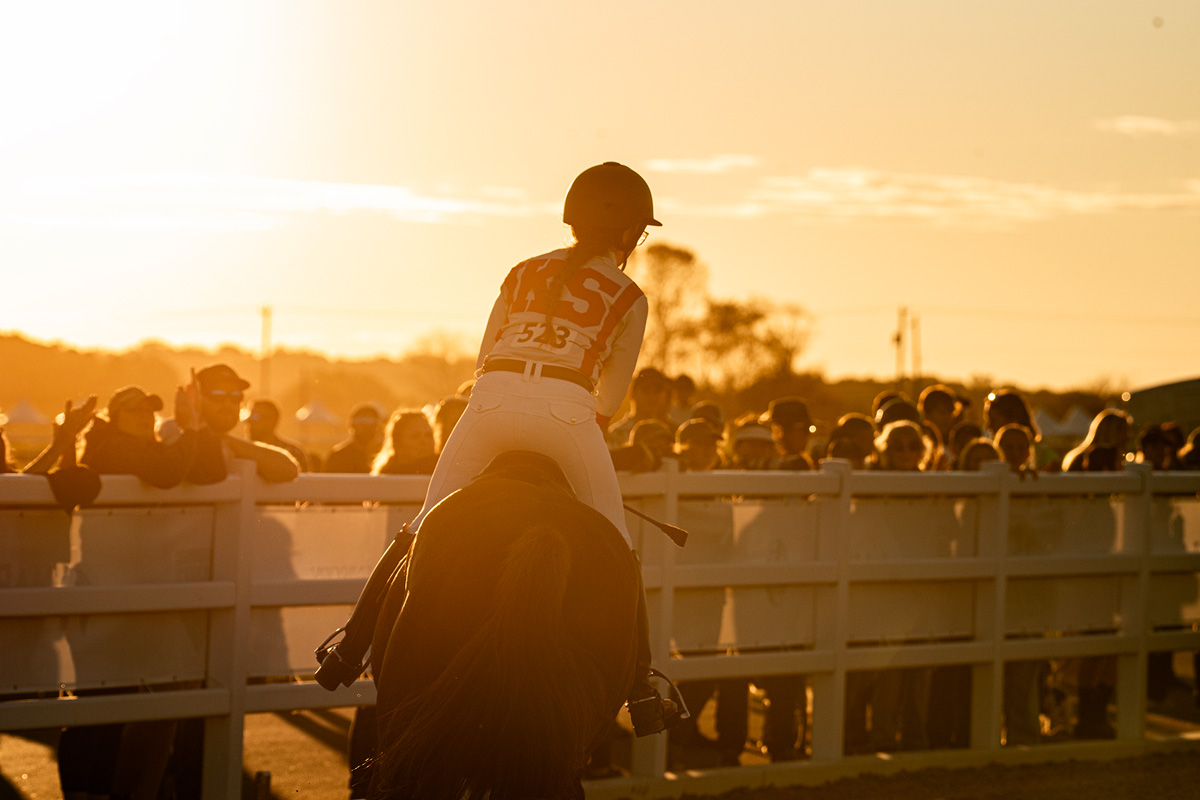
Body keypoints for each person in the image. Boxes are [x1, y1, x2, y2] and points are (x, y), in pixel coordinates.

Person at [402, 161, 680, 736]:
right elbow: (614, 399)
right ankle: (641, 686)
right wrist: (579, 427)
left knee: (423, 531)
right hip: (567, 416)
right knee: (619, 554)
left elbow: (483, 358)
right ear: (630, 233)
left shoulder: (521, 271)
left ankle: (355, 645)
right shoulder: (629, 295)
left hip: (488, 408)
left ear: (571, 218)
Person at [160, 364, 300, 484]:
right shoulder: (175, 430)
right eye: (218, 395)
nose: (228, 404)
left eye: (235, 397)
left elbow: (289, 470)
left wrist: (224, 439)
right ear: (195, 397)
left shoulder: (229, 442)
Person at [81, 385, 199, 486]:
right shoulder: (115, 447)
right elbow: (167, 472)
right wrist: (191, 428)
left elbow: (204, 472)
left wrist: (198, 421)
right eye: (134, 410)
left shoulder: (152, 449)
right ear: (115, 418)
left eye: (149, 410)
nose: (144, 416)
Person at [606, 366, 673, 448]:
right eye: (646, 389)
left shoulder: (672, 432)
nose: (651, 396)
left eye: (657, 390)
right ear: (632, 393)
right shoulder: (617, 434)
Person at [246, 399, 309, 471]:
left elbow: (304, 481)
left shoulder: (294, 453)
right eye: (249, 417)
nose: (250, 422)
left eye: (256, 417)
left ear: (273, 420)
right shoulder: (239, 452)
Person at [371, 410, 438, 475]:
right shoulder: (385, 477)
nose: (424, 441)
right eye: (415, 436)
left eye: (428, 435)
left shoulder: (444, 471)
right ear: (397, 443)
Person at [325, 403, 384, 473]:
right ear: (352, 425)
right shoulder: (338, 457)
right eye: (362, 422)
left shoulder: (384, 456)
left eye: (372, 423)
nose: (367, 427)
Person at [760, 397, 815, 470]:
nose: (808, 435)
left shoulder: (764, 464)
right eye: (805, 429)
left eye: (807, 429)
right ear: (781, 431)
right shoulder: (796, 464)